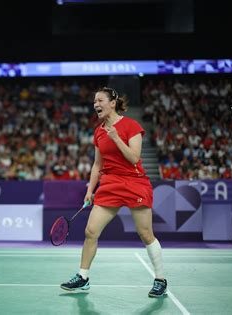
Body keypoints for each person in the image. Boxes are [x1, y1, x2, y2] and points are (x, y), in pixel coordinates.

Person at [60, 87, 167, 298]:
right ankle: (83, 277)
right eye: (94, 102)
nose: (96, 105)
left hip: (134, 182)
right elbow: (97, 164)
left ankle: (160, 279)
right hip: (109, 184)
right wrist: (90, 190)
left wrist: (117, 138)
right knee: (91, 231)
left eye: (100, 100)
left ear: (113, 102)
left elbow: (135, 158)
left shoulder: (131, 126)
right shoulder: (99, 131)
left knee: (145, 233)